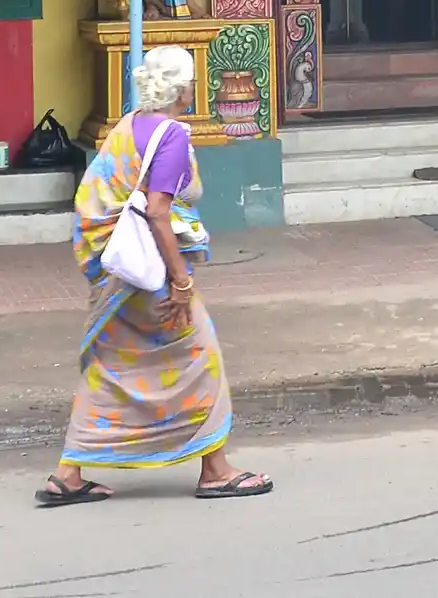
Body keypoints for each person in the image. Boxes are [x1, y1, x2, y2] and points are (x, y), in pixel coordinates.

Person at [42, 46, 271, 507]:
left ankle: (67, 474)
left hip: (113, 271)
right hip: (151, 276)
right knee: (201, 356)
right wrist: (181, 282)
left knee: (108, 365)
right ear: (184, 89)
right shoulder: (169, 136)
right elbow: (158, 213)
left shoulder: (126, 126)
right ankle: (215, 470)